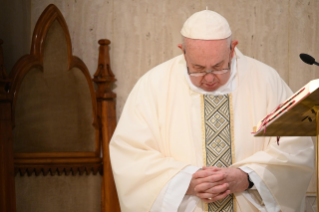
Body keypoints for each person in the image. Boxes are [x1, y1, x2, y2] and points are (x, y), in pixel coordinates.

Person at [110, 9, 314, 212]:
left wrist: (247, 177)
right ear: (183, 52)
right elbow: (130, 156)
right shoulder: (153, 85)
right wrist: (184, 181)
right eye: (198, 68)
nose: (209, 78)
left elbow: (295, 147)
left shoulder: (266, 80)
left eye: (218, 67)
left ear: (232, 50)